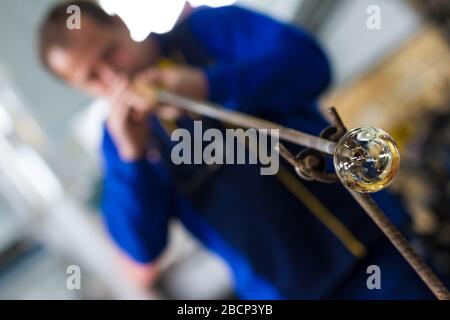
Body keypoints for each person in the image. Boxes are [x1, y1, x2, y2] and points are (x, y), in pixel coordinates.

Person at [38, 1, 434, 299]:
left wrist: (207, 85)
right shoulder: (121, 143)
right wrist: (132, 162)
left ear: (123, 24)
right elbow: (142, 250)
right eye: (92, 77)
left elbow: (311, 64)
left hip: (374, 246)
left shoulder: (210, 31)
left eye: (110, 52)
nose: (114, 75)